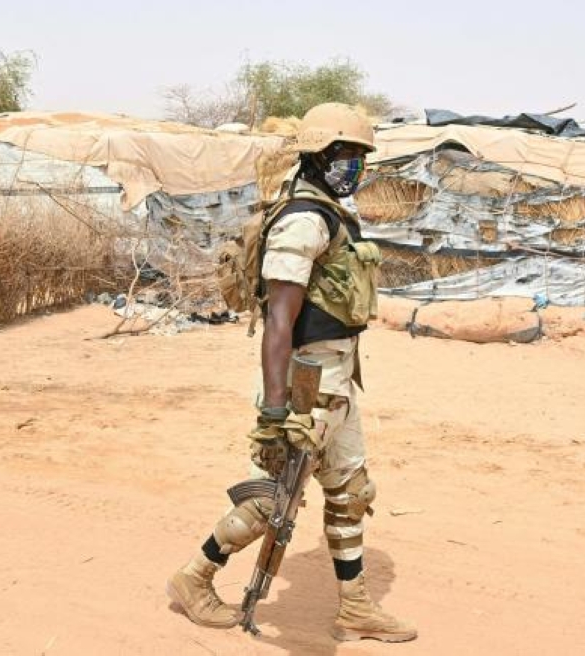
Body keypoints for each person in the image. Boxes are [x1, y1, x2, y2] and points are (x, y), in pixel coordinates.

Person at [166, 103, 417, 643]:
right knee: (274, 498)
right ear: (318, 156)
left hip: (338, 374)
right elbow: (279, 322)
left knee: (350, 488)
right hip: (305, 380)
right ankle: (195, 577)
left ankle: (354, 605)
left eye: (359, 157)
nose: (355, 166)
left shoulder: (332, 212)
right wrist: (276, 413)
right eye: (346, 155)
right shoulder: (303, 219)